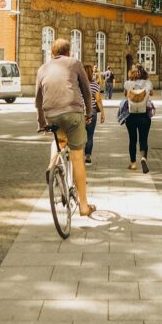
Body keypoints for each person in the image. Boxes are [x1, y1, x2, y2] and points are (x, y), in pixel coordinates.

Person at [35, 37, 96, 217]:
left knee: (59, 139)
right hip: (72, 112)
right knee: (77, 157)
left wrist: (41, 124)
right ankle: (84, 206)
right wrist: (89, 114)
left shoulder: (42, 68)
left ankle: (52, 166)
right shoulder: (75, 63)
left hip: (51, 114)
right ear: (69, 52)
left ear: (52, 53)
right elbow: (87, 91)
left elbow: (38, 100)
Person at [124, 63, 153, 173]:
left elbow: (125, 95)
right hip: (144, 115)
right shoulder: (148, 83)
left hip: (131, 115)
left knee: (132, 139)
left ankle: (133, 164)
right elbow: (152, 94)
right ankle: (143, 158)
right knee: (143, 139)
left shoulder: (127, 83)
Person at [83, 63, 105, 164]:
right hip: (92, 112)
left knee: (77, 134)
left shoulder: (78, 84)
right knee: (90, 135)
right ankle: (87, 157)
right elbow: (98, 101)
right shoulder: (95, 85)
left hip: (79, 113)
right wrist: (103, 113)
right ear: (91, 73)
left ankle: (77, 154)